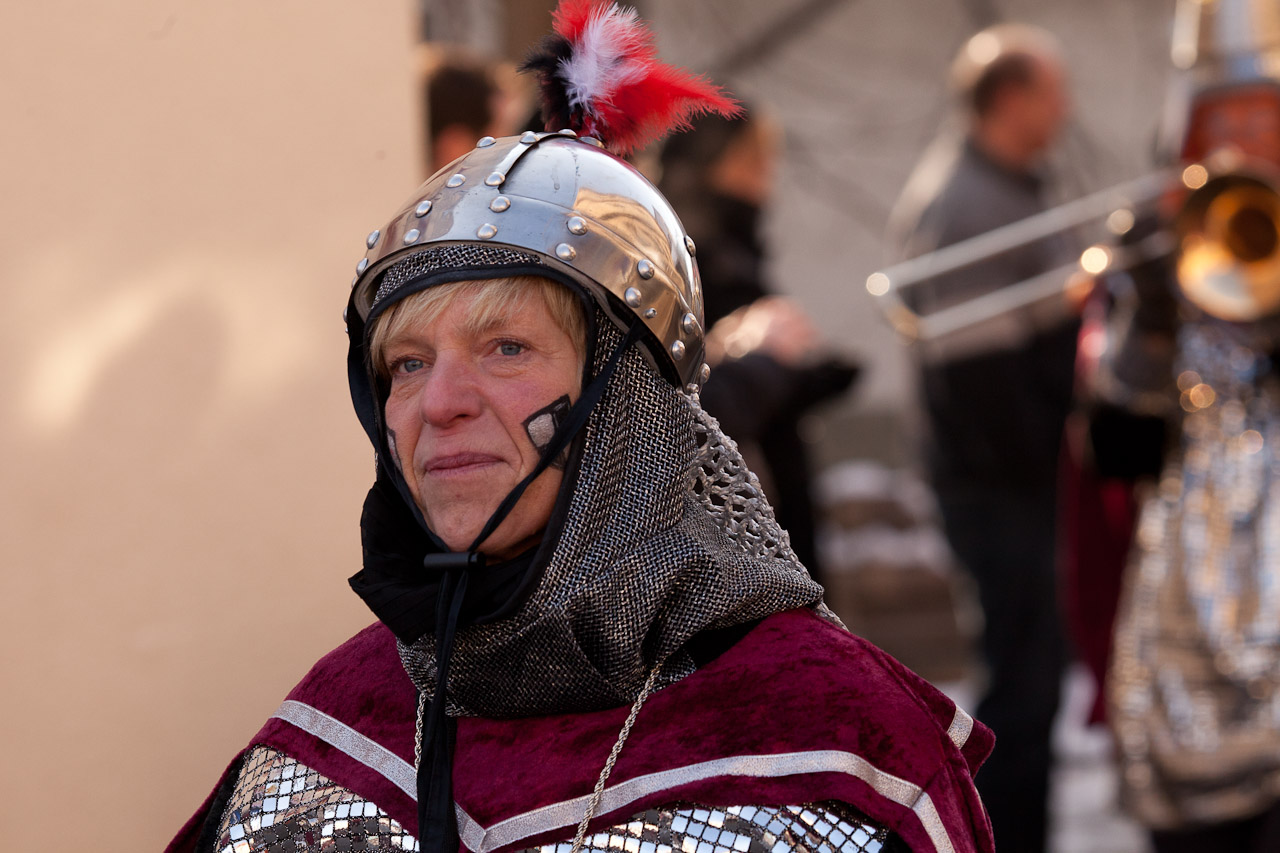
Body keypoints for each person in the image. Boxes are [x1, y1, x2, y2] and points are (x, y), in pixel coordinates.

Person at [167, 3, 994, 852]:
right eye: (408, 362)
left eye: (506, 347)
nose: (439, 402)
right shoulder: (338, 716)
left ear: (628, 402)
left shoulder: (837, 735)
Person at [1088, 1, 1280, 848]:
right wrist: (1149, 308)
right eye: (1221, 124)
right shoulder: (1169, 253)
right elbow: (1114, 450)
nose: (1242, 144)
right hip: (1193, 595)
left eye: (1262, 122)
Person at [884, 23, 1076, 853]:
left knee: (1037, 680)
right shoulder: (967, 203)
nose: (1066, 109)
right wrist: (1047, 466)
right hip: (1000, 483)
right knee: (1022, 688)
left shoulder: (1010, 186)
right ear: (1010, 98)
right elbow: (979, 376)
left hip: (1018, 478)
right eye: (1053, 92)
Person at [659, 109, 859, 580]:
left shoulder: (734, 251)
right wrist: (765, 360)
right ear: (704, 165)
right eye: (750, 164)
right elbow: (687, 405)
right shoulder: (681, 262)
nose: (764, 185)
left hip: (767, 491)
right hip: (723, 521)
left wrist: (804, 373)